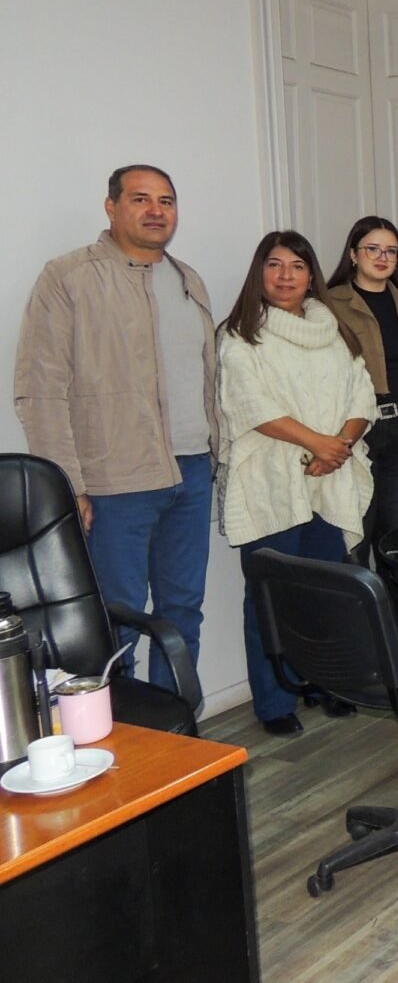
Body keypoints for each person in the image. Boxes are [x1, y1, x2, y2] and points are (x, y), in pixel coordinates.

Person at [15, 165, 217, 691]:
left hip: (193, 472)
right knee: (115, 618)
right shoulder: (69, 277)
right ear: (111, 207)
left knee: (182, 610)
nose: (156, 211)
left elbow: (205, 379)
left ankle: (173, 726)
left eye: (166, 201)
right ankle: (123, 731)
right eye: (140, 199)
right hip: (115, 483)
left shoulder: (188, 280)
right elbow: (40, 390)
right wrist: (68, 484)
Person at [217, 230, 376, 735]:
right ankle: (274, 702)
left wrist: (340, 445)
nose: (285, 276)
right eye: (274, 265)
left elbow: (362, 395)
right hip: (271, 483)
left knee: (326, 593)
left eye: (297, 266)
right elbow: (251, 406)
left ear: (312, 276)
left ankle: (325, 684)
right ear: (259, 272)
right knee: (269, 596)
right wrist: (318, 444)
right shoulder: (240, 334)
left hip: (329, 480)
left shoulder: (335, 331)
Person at [325, 217, 398, 562]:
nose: (382, 258)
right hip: (354, 432)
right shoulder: (328, 304)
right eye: (373, 249)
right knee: (353, 541)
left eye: (391, 251)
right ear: (353, 254)